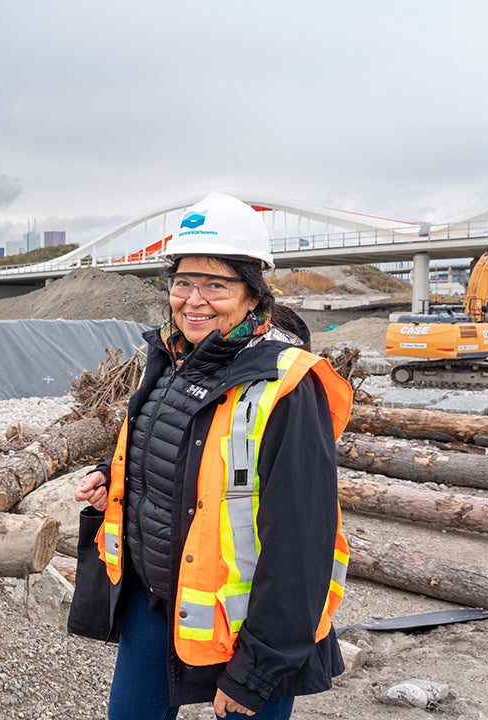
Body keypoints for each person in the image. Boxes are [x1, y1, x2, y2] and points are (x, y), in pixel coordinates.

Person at [72, 192, 353, 720]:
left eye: (216, 285)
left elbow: (301, 542)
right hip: (156, 602)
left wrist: (258, 672)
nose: (193, 300)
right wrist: (113, 479)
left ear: (252, 295)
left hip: (250, 630)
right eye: (182, 282)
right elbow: (178, 459)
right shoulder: (172, 359)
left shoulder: (287, 386)